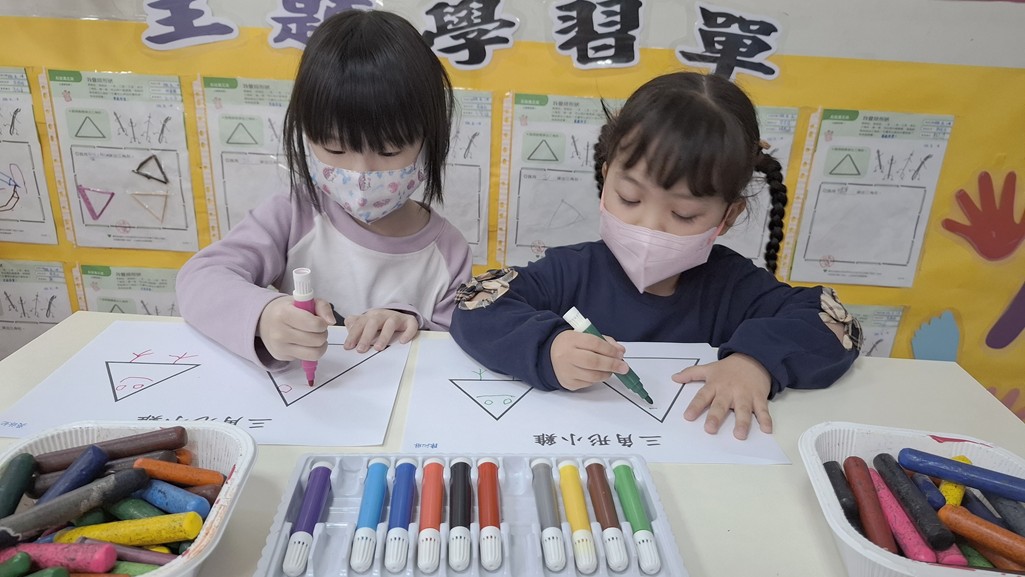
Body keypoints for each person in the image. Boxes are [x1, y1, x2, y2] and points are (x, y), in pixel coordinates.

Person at [451, 72, 861, 440]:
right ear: (607, 176)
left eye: (683, 214)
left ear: (728, 216)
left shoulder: (733, 287)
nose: (649, 227)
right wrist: (547, 349)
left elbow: (835, 325)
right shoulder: (572, 271)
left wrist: (755, 362)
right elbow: (476, 305)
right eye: (629, 198)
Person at [177, 9, 471, 372]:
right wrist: (265, 315)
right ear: (306, 135)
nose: (361, 173)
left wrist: (411, 322)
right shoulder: (292, 216)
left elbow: (457, 354)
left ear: (430, 140)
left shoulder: (449, 253)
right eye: (334, 149)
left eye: (389, 151)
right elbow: (199, 278)